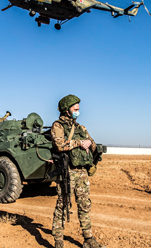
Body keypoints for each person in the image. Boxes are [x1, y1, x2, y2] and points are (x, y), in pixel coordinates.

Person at [50, 94, 105, 248]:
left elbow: (92, 144)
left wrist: (89, 143)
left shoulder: (81, 127)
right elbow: (59, 145)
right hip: (67, 171)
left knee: (84, 205)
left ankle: (88, 239)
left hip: (82, 173)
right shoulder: (58, 126)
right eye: (75, 109)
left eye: (78, 109)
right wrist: (79, 143)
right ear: (66, 109)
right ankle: (58, 241)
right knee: (63, 205)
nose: (77, 111)